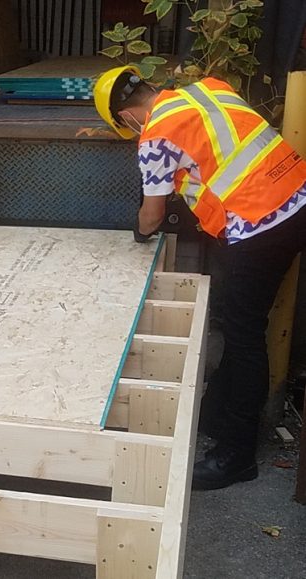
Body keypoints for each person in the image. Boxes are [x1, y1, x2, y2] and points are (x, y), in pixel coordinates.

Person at [94, 66, 306, 490]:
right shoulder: (210, 91)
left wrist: (139, 229)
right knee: (240, 319)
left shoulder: (155, 135)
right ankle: (215, 414)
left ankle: (236, 456)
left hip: (259, 222)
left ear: (126, 118)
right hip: (297, 201)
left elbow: (152, 216)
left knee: (244, 333)